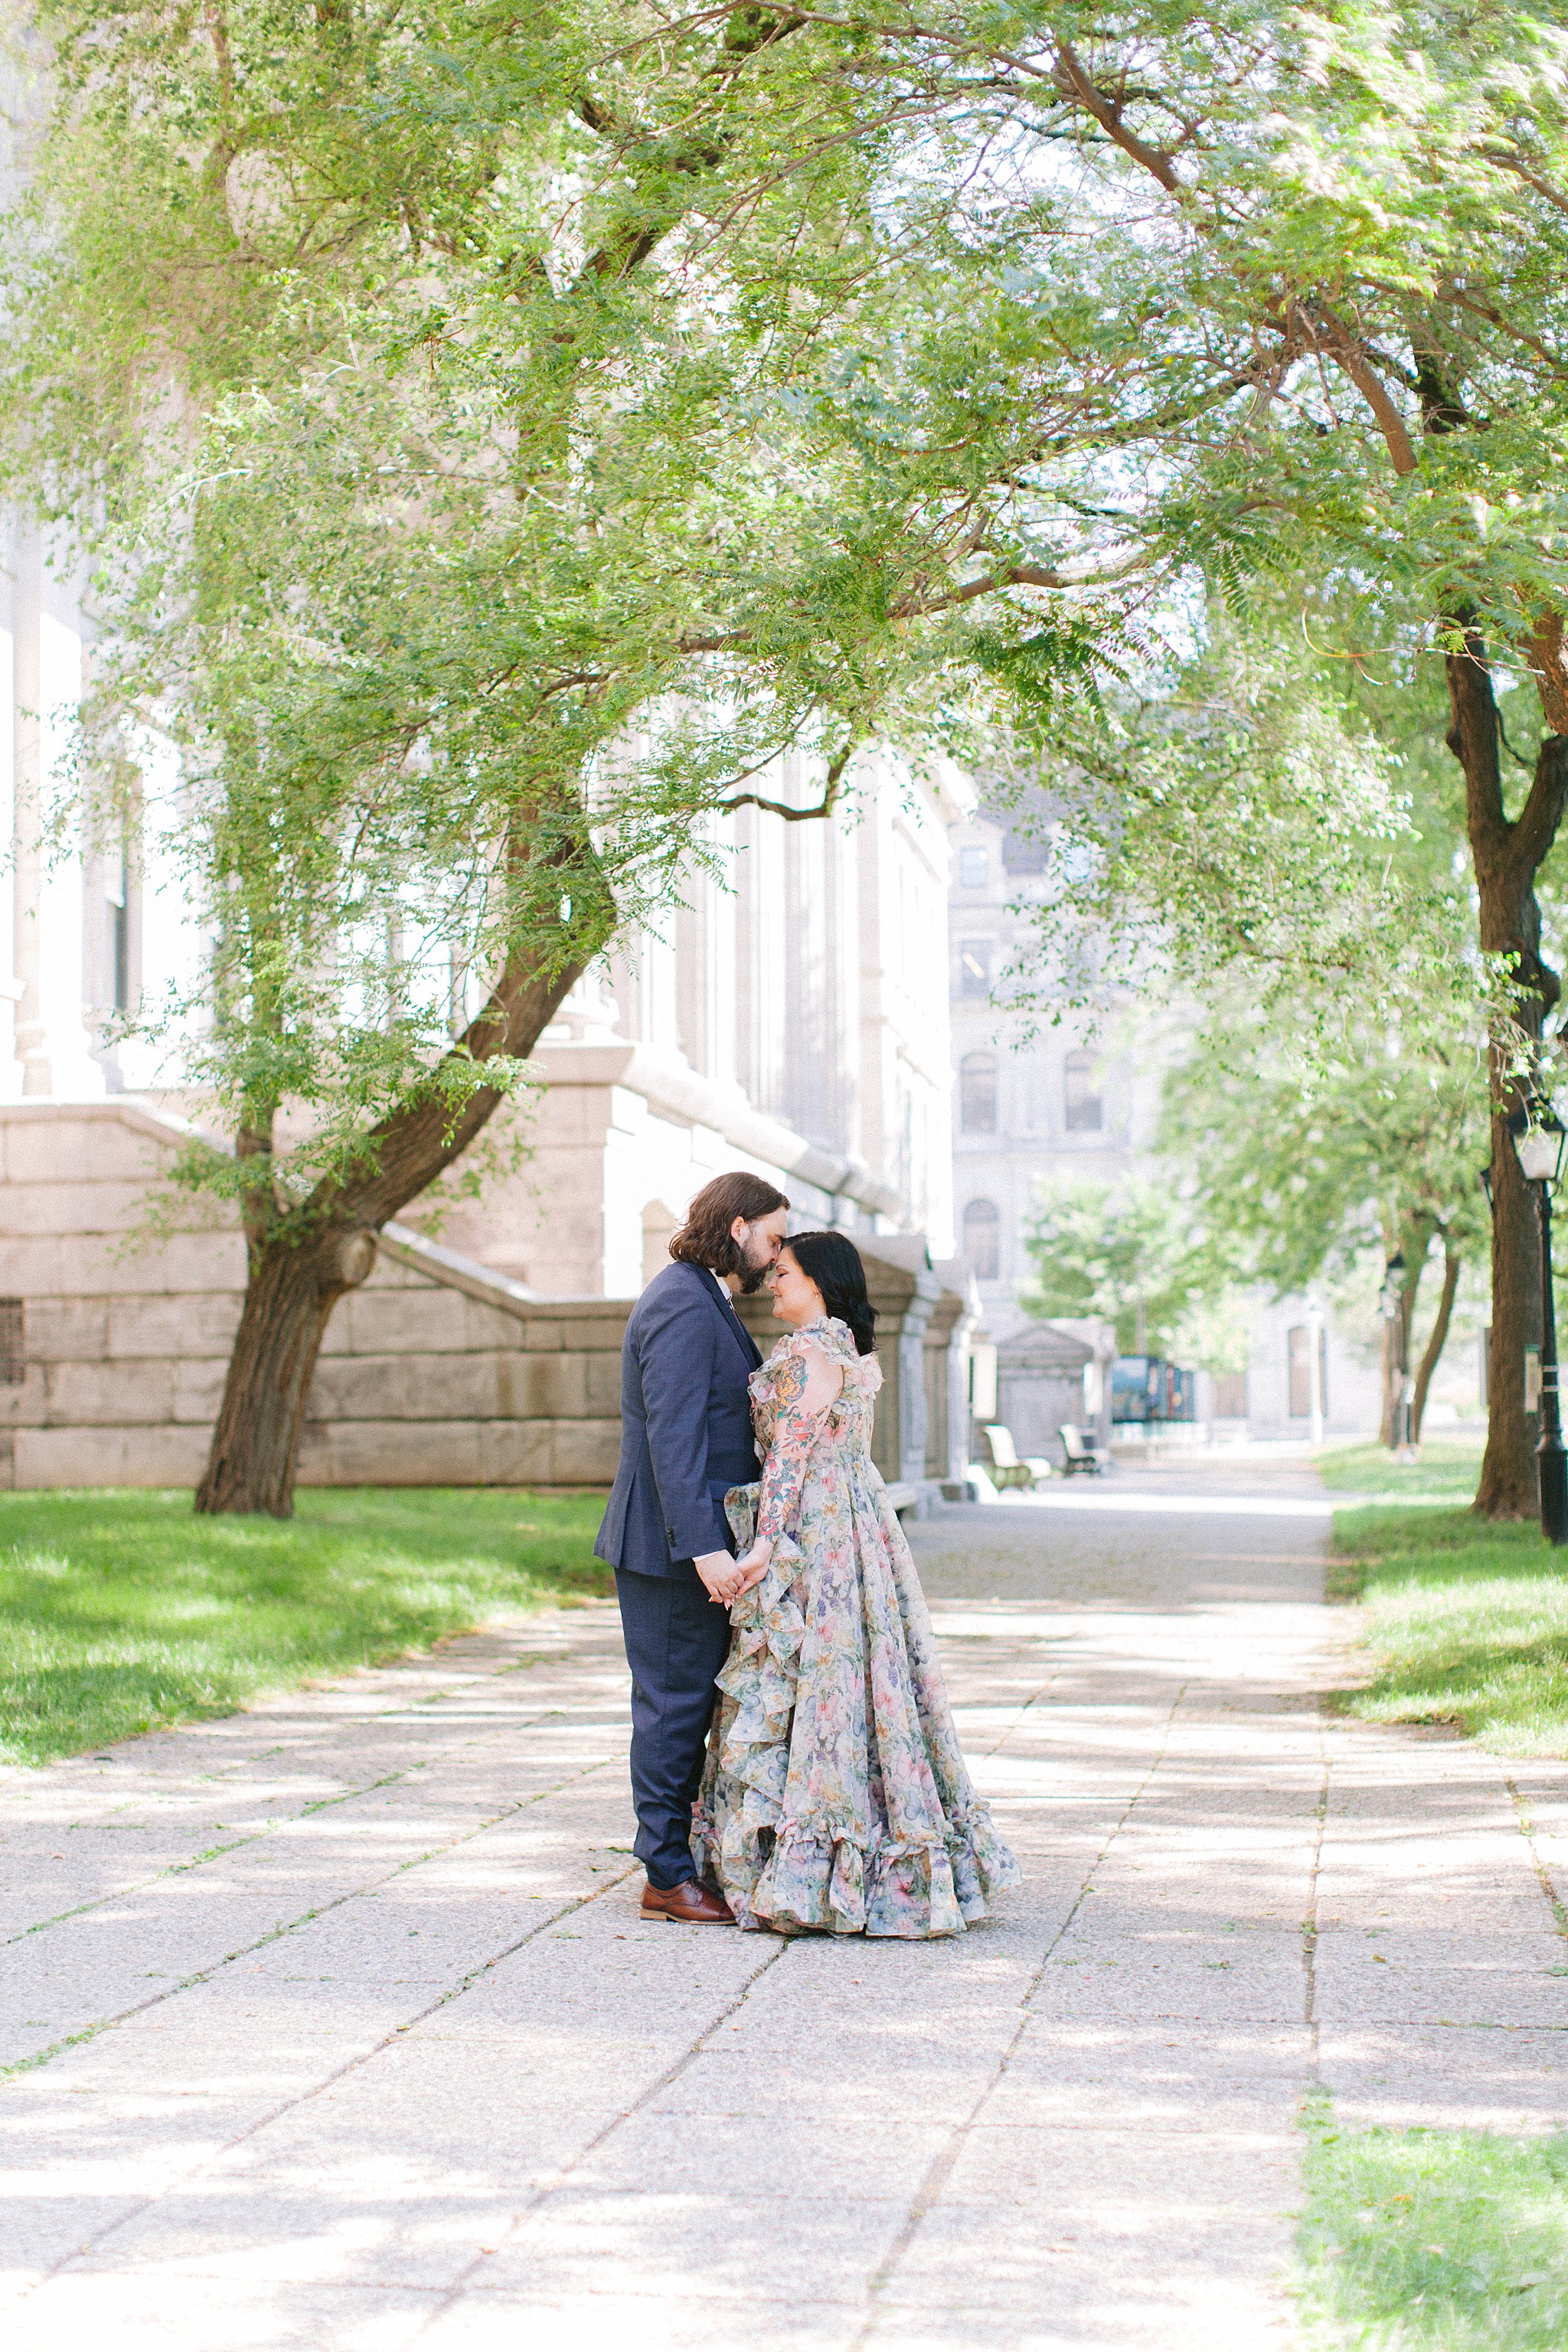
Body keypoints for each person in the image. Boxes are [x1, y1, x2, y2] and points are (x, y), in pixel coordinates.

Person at [694, 1231, 1021, 1937]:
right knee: (861, 1680)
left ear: (817, 1281)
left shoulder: (817, 1349)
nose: (772, 1284)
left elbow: (790, 1454)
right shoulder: (840, 1348)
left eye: (783, 1274)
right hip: (851, 1522)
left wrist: (766, 1547)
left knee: (824, 1677)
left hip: (820, 1531)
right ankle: (850, 1850)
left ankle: (823, 1868)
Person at [595, 1171, 789, 1924]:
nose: (774, 1258)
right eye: (771, 1238)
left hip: (681, 1541)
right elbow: (673, 1441)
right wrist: (706, 1550)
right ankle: (664, 1876)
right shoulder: (680, 1301)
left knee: (683, 1703)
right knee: (671, 1708)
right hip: (666, 1548)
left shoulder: (697, 1294)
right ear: (736, 1226)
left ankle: (677, 1862)